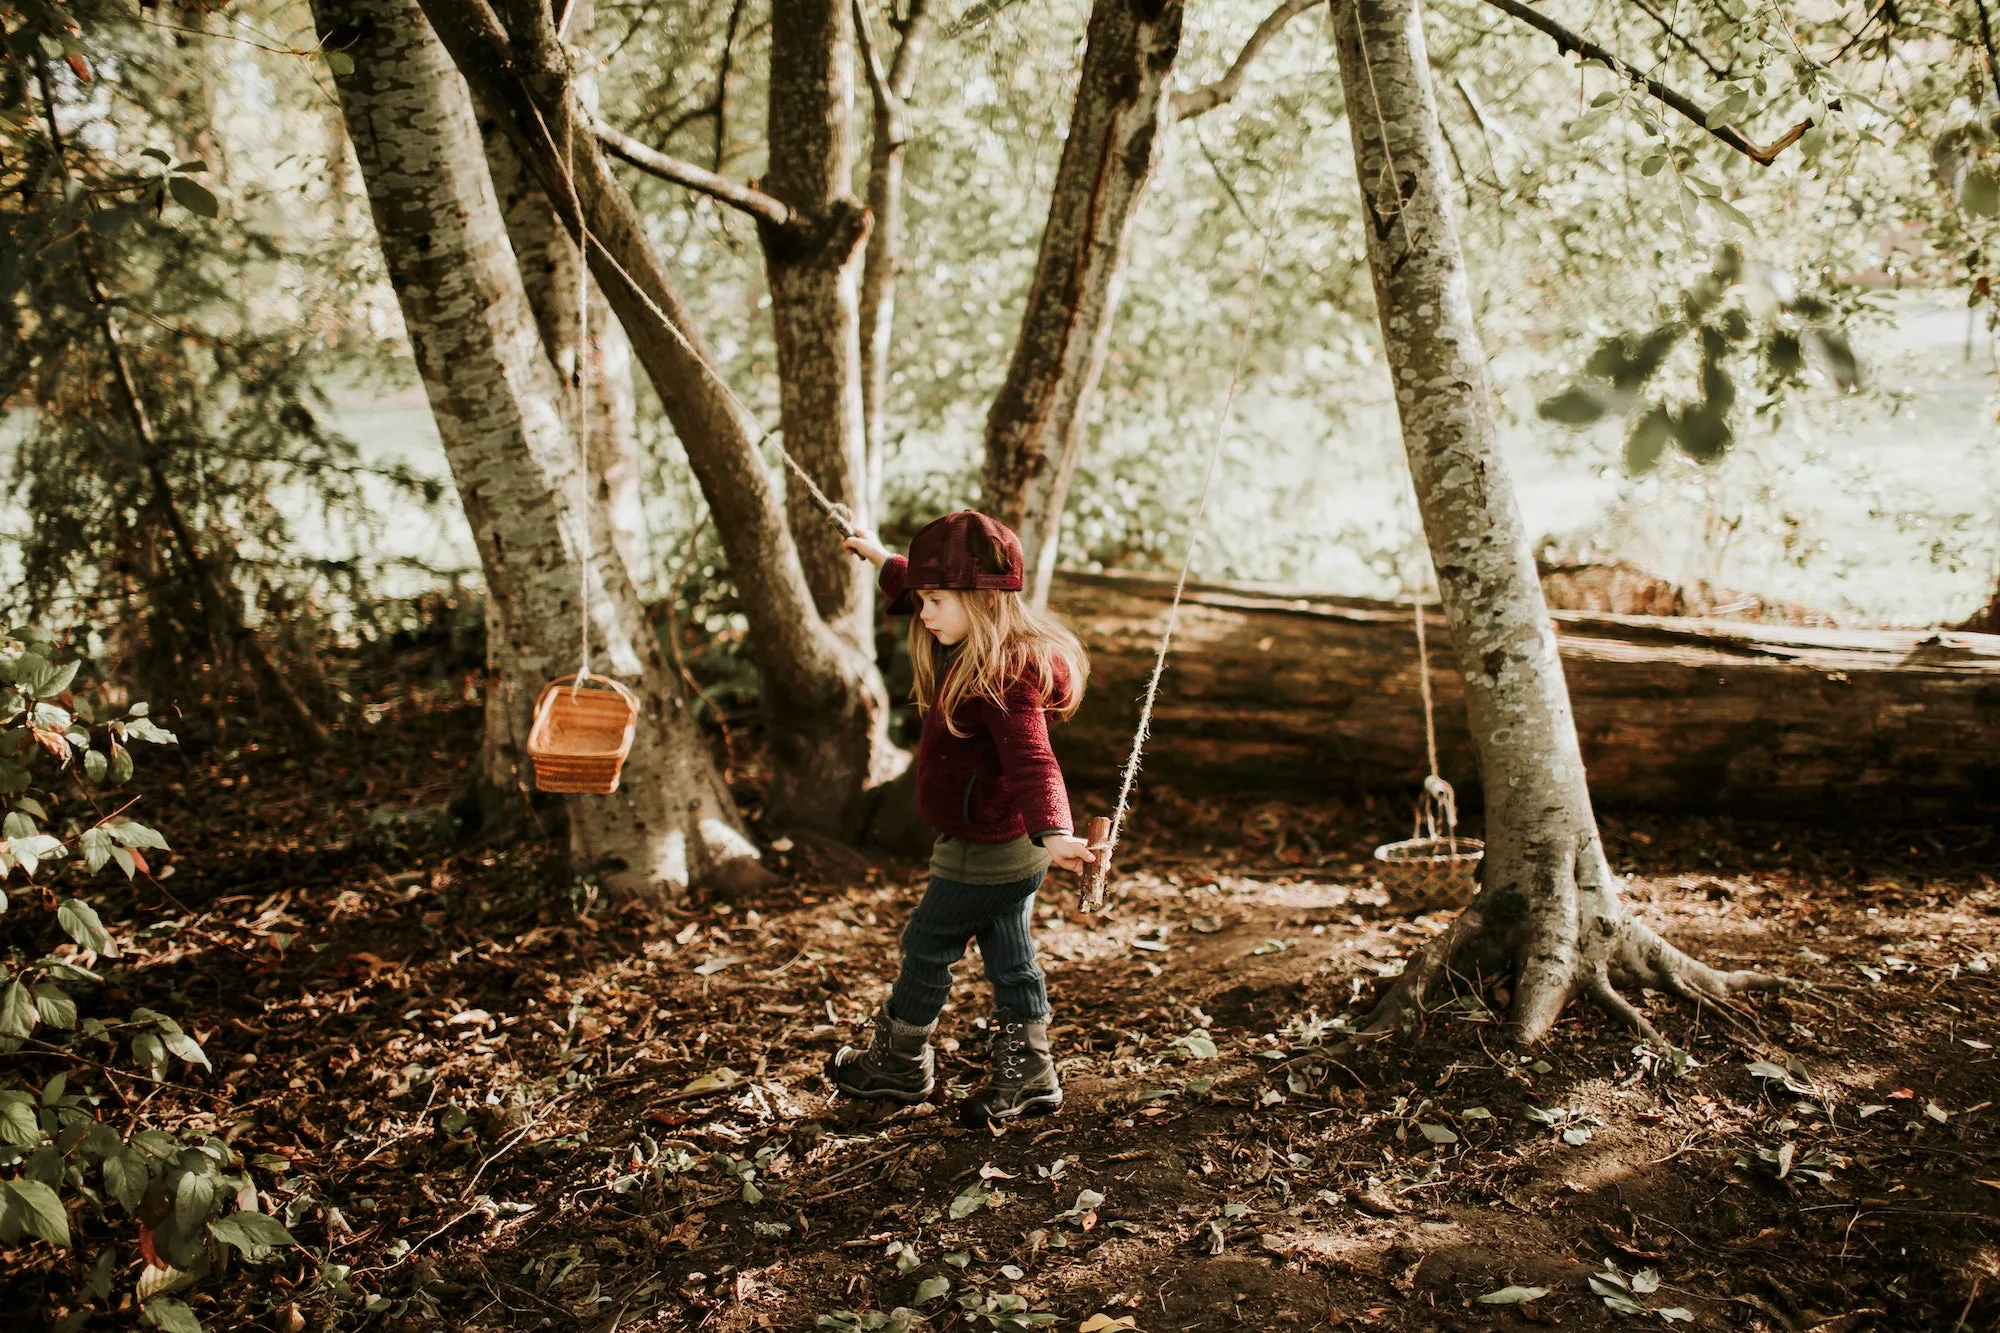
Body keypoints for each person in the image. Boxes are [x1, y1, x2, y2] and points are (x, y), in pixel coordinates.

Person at [828, 510, 1094, 1125]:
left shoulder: (1002, 674)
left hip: (988, 847)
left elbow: (1033, 758)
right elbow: (915, 583)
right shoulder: (973, 639)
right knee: (1010, 954)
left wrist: (1056, 831)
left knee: (927, 944)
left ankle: (898, 1064)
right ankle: (1031, 1071)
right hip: (1006, 843)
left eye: (936, 600)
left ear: (981, 598)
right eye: (921, 598)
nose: (923, 613)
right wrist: (878, 557)